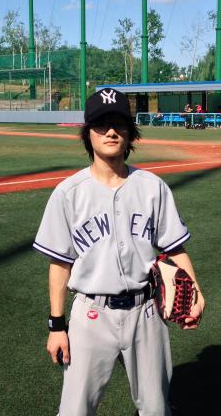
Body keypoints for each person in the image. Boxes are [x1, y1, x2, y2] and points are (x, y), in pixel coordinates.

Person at [34, 88, 205, 415]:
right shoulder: (68, 193)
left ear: (130, 132)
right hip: (90, 316)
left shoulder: (153, 187)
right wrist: (56, 326)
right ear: (88, 133)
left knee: (156, 409)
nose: (111, 131)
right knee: (75, 411)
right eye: (101, 124)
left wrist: (195, 291)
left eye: (119, 124)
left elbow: (175, 248)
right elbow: (59, 264)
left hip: (146, 314)